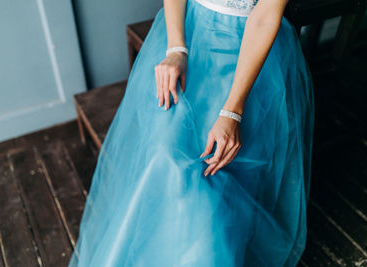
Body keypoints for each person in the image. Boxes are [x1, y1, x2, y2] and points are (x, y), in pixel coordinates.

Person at [69, 0, 315, 265]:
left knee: (206, 166)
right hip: (187, 32)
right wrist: (176, 49)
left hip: (247, 49)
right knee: (165, 154)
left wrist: (232, 112)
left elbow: (265, 17)